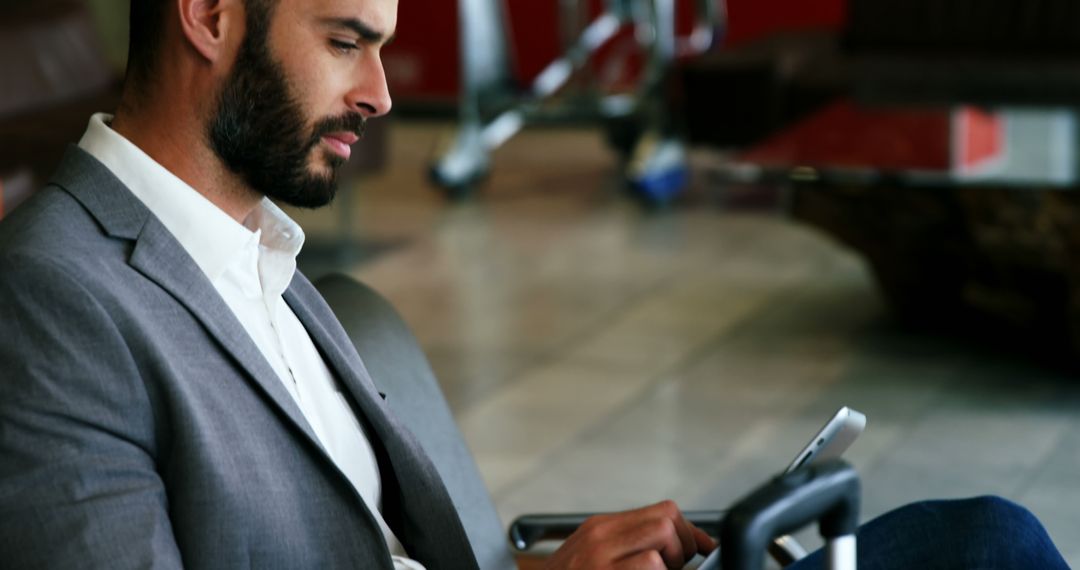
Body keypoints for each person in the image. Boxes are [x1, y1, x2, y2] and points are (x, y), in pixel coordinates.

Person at [0, 0, 1069, 568]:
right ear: (210, 14)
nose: (378, 93)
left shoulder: (253, 250)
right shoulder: (54, 297)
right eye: (344, 43)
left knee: (982, 537)